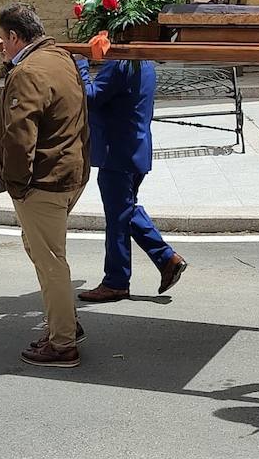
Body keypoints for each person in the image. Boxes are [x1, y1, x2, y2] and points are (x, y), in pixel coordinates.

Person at [0, 3, 90, 369]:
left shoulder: (27, 72)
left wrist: (18, 186)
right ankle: (64, 322)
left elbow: (19, 137)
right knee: (40, 250)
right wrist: (8, 60)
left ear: (15, 36)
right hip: (68, 173)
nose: (1, 45)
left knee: (50, 262)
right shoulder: (60, 57)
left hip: (42, 182)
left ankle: (63, 344)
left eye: (3, 39)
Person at [74, 56, 188, 299]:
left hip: (117, 153)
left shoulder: (119, 64)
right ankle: (167, 259)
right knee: (125, 211)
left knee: (117, 219)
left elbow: (90, 97)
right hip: (135, 149)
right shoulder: (144, 62)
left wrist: (81, 64)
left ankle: (116, 282)